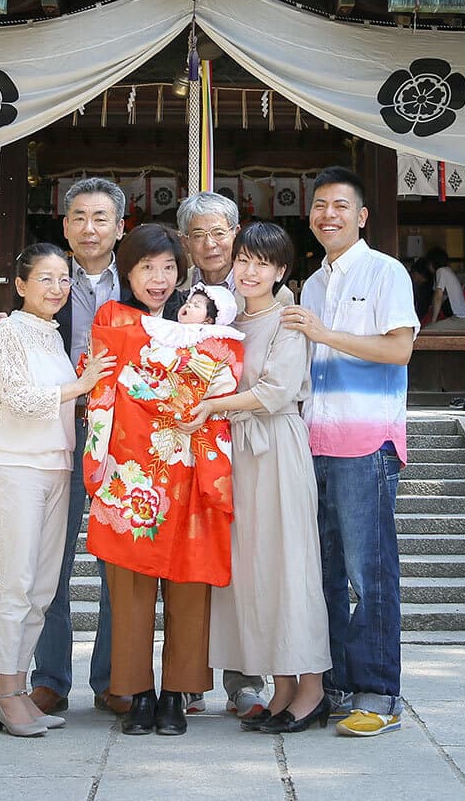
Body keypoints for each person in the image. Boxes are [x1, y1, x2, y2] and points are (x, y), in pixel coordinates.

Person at [83, 226, 240, 737]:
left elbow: (221, 382)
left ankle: (178, 691)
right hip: (132, 473)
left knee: (190, 580)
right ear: (127, 272)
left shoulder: (195, 320)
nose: (158, 278)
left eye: (169, 267)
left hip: (190, 467)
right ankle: (137, 692)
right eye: (147, 267)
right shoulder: (113, 317)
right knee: (129, 586)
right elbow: (103, 388)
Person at [0, 176, 126, 715]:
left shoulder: (139, 282)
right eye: (79, 217)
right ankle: (48, 680)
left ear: (119, 226)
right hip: (54, 434)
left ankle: (114, 678)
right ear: (65, 226)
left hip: (122, 434)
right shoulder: (47, 288)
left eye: (101, 217)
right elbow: (18, 346)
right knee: (49, 565)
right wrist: (2, 325)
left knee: (118, 561)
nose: (90, 228)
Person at [283, 166, 418, 739]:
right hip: (315, 439)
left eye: (340, 206)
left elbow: (399, 350)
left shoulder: (385, 272)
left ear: (361, 216)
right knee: (326, 575)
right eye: (319, 206)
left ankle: (379, 692)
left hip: (366, 441)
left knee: (370, 571)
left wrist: (323, 334)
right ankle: (335, 687)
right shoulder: (313, 283)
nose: (328, 215)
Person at [194, 221, 332, 734]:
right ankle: (283, 685)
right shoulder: (229, 320)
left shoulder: (288, 320)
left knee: (291, 566)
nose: (250, 271)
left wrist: (213, 406)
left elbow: (276, 391)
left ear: (281, 271)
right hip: (239, 453)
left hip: (276, 446)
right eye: (244, 260)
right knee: (255, 570)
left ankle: (312, 687)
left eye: (262, 263)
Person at [177, 189, 281, 720]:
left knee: (244, 561)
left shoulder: (262, 291)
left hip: (246, 441)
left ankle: (245, 678)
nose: (210, 243)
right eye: (198, 234)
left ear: (236, 234)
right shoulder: (172, 291)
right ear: (185, 242)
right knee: (191, 560)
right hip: (186, 443)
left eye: (220, 232)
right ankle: (188, 678)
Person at [423, 246, 465, 330]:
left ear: (431, 263)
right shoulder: (447, 271)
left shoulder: (441, 271)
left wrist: (433, 321)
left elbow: (438, 296)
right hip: (464, 319)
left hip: (460, 319)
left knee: (427, 331)